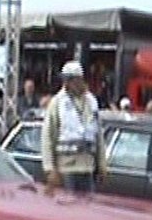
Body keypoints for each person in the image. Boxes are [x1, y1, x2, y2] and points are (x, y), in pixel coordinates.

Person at [41, 60, 106, 195]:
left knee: (87, 207)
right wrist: (50, 168)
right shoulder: (57, 102)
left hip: (88, 167)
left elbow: (98, 136)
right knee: (68, 207)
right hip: (66, 168)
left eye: (71, 80)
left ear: (79, 79)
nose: (67, 84)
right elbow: (48, 137)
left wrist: (101, 165)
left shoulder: (91, 101)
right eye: (66, 80)